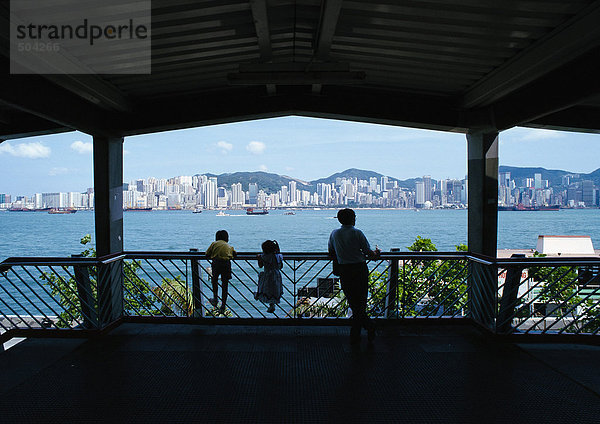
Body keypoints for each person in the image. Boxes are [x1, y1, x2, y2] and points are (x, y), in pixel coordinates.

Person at [328, 208, 381, 344]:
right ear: (353, 219)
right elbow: (368, 252)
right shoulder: (357, 233)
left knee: (352, 301)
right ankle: (368, 327)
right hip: (359, 269)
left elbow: (331, 251)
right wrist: (376, 253)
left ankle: (357, 332)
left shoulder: (334, 234)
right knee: (361, 301)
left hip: (344, 270)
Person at [206, 230, 237, 313]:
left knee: (214, 280)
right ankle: (223, 306)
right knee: (225, 285)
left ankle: (215, 298)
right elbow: (234, 254)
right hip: (226, 264)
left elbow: (207, 254)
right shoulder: (229, 246)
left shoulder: (214, 244)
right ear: (227, 238)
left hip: (216, 263)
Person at [255, 240, 283, 313]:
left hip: (268, 275)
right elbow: (281, 266)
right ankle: (272, 304)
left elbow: (260, 265)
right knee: (274, 290)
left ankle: (270, 304)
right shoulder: (278, 256)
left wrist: (258, 258)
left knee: (267, 289)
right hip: (277, 275)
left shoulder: (264, 256)